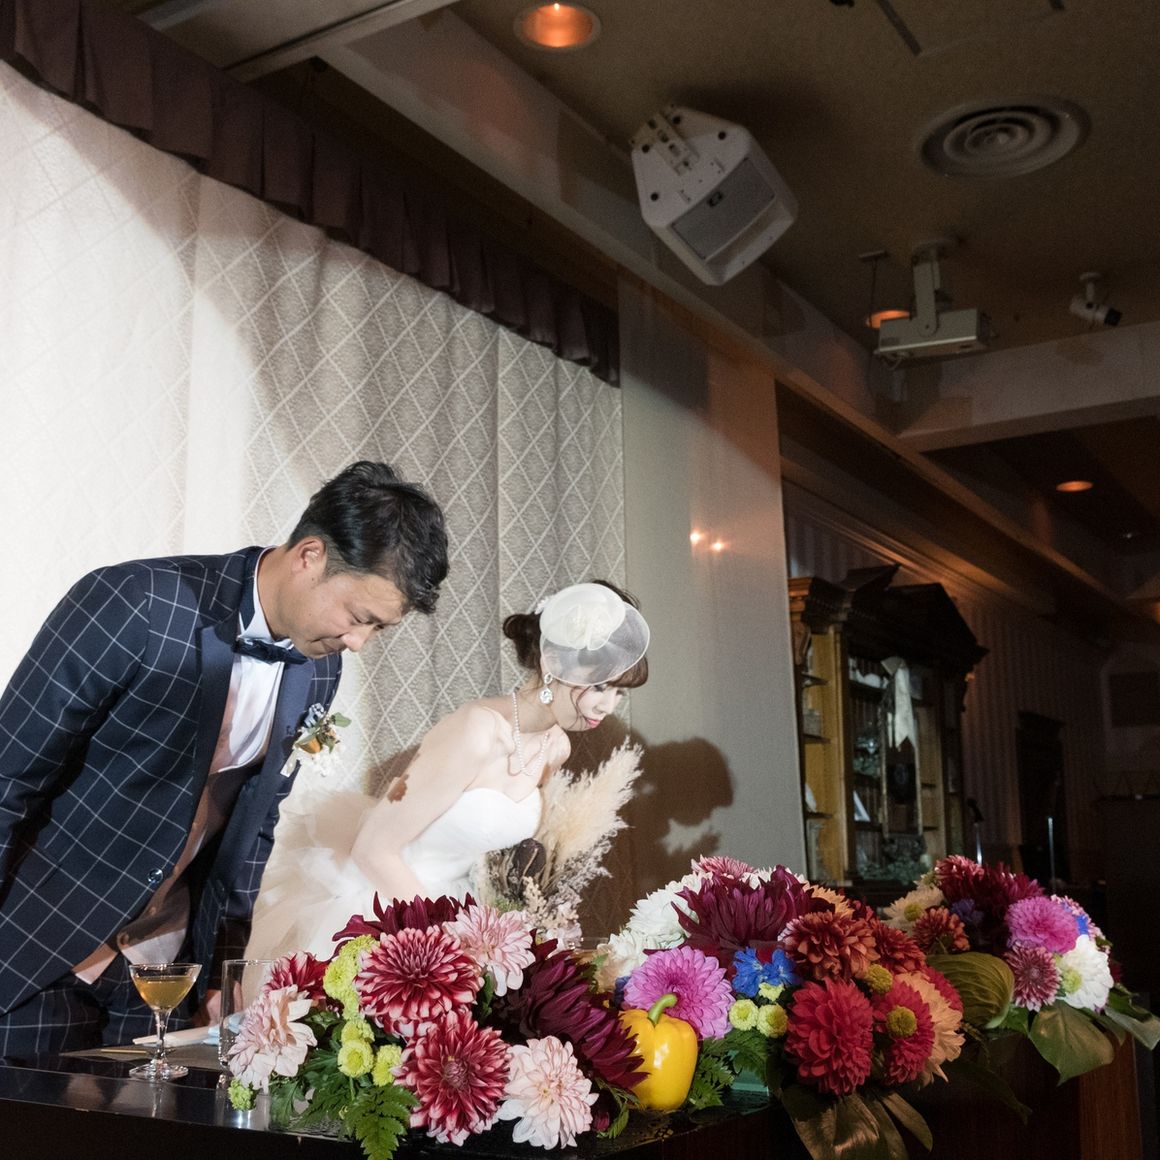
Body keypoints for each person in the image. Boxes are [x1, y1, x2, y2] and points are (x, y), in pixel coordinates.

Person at [0, 460, 449, 1061]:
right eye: (358, 616)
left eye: (379, 629)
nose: (358, 642)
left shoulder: (320, 667)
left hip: (161, 974)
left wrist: (219, 973)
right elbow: (9, 774)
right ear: (310, 555)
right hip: (40, 945)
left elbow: (254, 825)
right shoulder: (137, 603)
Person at [251, 581, 649, 959]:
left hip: (464, 914)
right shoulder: (477, 731)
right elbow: (373, 849)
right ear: (553, 663)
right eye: (600, 686)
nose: (608, 706)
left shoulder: (555, 748)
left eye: (619, 691)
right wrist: (451, 942)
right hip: (388, 909)